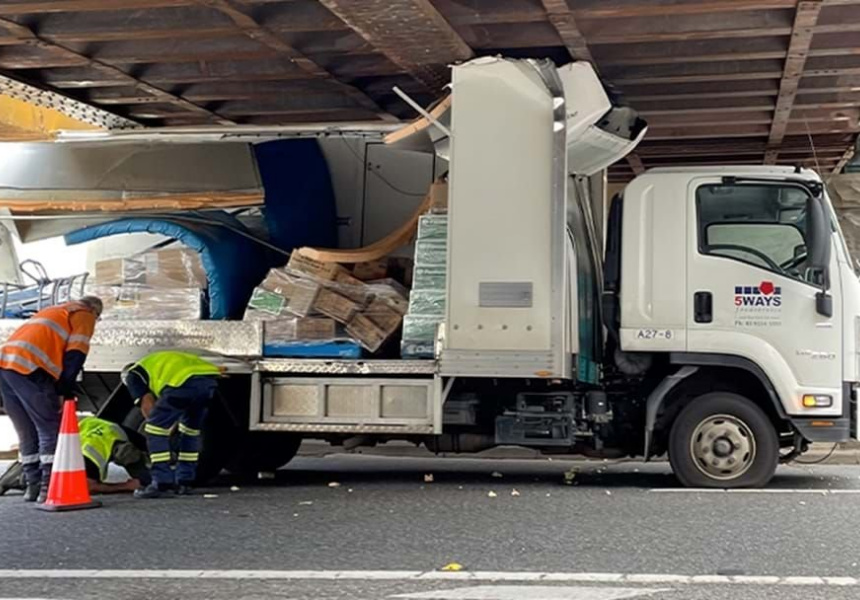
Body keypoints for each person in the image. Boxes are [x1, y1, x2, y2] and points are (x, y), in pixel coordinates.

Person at [0, 296, 102, 503]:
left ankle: (32, 486)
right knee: (49, 427)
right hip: (31, 368)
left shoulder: (55, 310)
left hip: (5, 367)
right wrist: (64, 389)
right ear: (94, 311)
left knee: (26, 430)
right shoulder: (83, 314)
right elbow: (76, 353)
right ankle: (49, 487)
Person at [121, 350, 224, 498]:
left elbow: (148, 407)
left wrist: (163, 433)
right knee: (190, 431)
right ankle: (184, 481)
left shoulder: (133, 375)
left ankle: (161, 483)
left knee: (154, 429)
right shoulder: (154, 363)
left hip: (181, 382)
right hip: (207, 382)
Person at [79, 415, 150, 494]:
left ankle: (147, 479)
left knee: (131, 457)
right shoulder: (91, 458)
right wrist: (126, 486)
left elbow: (146, 445)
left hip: (91, 426)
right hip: (91, 430)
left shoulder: (121, 432)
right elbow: (89, 487)